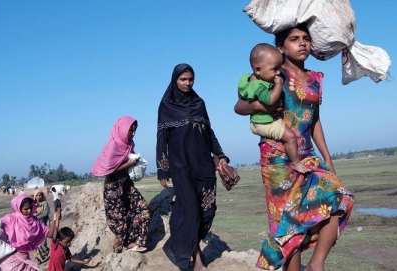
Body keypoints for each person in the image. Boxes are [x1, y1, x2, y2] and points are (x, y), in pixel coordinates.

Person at [234, 23, 354, 271]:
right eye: (294, 39)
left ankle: (316, 265)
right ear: (281, 48)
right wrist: (260, 106)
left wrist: (327, 159)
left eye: (306, 38)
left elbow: (315, 120)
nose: (302, 43)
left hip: (307, 155)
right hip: (276, 158)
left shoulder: (315, 79)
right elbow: (239, 106)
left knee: (340, 198)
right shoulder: (273, 74)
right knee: (288, 226)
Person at [156, 63, 230, 271]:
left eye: (191, 79)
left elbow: (209, 132)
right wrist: (163, 168)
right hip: (181, 167)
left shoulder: (199, 103)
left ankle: (174, 246)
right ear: (175, 80)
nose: (187, 83)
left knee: (208, 210)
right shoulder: (166, 106)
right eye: (183, 79)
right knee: (191, 212)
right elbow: (162, 138)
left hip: (204, 165)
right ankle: (197, 259)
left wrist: (220, 154)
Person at [238, 43, 309, 174]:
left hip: (260, 122)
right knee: (290, 137)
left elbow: (241, 94)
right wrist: (278, 85)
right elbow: (270, 100)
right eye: (274, 69)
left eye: (279, 68)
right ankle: (295, 163)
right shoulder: (259, 85)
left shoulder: (250, 80)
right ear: (258, 70)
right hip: (266, 123)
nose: (278, 73)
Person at [91, 116, 151, 253]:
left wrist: (136, 164)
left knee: (144, 209)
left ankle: (138, 240)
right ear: (123, 130)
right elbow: (109, 170)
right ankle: (119, 249)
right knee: (120, 220)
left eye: (135, 130)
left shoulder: (129, 144)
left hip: (127, 185)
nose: (133, 134)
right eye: (131, 130)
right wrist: (128, 164)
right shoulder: (112, 146)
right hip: (113, 188)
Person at [0, 194, 61, 271]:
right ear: (18, 208)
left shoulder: (35, 222)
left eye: (30, 208)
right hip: (8, 260)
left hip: (23, 257)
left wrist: (55, 219)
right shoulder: (10, 219)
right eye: (25, 209)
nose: (29, 210)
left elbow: (49, 234)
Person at [33, 190, 50, 262]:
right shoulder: (33, 204)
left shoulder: (44, 203)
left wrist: (35, 217)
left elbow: (45, 213)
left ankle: (45, 252)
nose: (39, 197)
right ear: (35, 196)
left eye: (40, 195)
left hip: (42, 226)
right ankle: (38, 258)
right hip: (34, 226)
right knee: (34, 243)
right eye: (37, 195)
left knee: (43, 242)